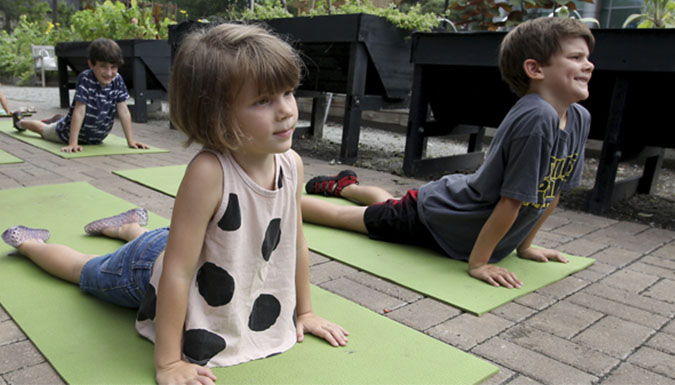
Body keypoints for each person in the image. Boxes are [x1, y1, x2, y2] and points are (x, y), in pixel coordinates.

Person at [2, 23, 348, 385]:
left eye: (288, 93)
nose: (286, 111)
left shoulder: (290, 163)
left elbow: (296, 244)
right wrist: (168, 362)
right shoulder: (210, 172)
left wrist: (305, 312)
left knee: (161, 241)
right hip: (150, 268)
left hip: (202, 247)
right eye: (263, 100)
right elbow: (177, 272)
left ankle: (124, 228)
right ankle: (28, 244)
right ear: (215, 112)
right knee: (84, 270)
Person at [302, 17, 595, 289]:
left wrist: (525, 246)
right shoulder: (537, 117)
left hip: (450, 212)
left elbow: (552, 192)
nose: (589, 65)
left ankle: (345, 186)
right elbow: (511, 200)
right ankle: (279, 203)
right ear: (535, 69)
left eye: (587, 57)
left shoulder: (579, 117)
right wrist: (479, 263)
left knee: (391, 205)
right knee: (349, 218)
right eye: (575, 58)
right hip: (437, 218)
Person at [11, 38, 149, 153]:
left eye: (113, 67)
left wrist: (130, 141)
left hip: (96, 138)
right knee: (43, 130)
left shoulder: (117, 80)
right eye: (103, 66)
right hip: (66, 134)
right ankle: (20, 122)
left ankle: (59, 119)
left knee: (58, 122)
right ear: (91, 64)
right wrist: (73, 143)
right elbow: (79, 110)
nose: (108, 73)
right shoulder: (86, 78)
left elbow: (123, 110)